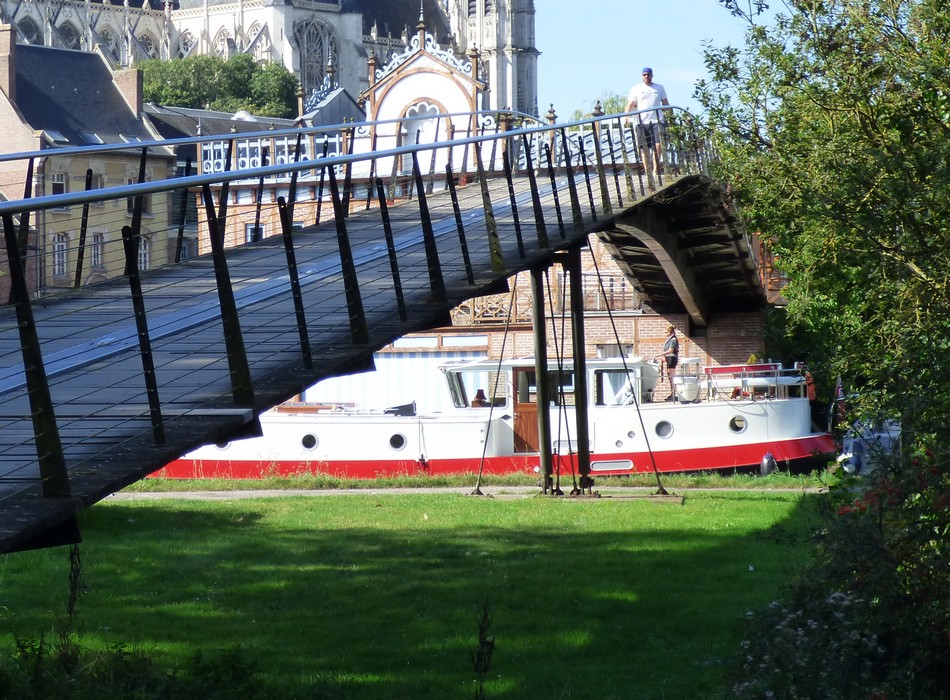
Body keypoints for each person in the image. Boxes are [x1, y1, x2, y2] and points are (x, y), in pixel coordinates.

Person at [625, 67, 670, 181]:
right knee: (644, 148)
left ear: (652, 75)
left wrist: (670, 115)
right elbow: (631, 103)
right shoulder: (636, 88)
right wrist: (626, 116)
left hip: (657, 120)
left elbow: (665, 103)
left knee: (658, 145)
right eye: (644, 75)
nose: (646, 76)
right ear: (642, 76)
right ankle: (648, 171)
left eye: (648, 74)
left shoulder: (659, 88)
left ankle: (655, 169)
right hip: (641, 121)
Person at [654, 325, 679, 399]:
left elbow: (671, 350)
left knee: (672, 376)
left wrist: (661, 354)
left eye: (666, 332)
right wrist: (664, 356)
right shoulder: (669, 339)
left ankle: (674, 393)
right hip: (668, 357)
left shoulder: (673, 339)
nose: (665, 334)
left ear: (670, 332)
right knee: (669, 376)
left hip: (672, 357)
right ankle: (672, 392)